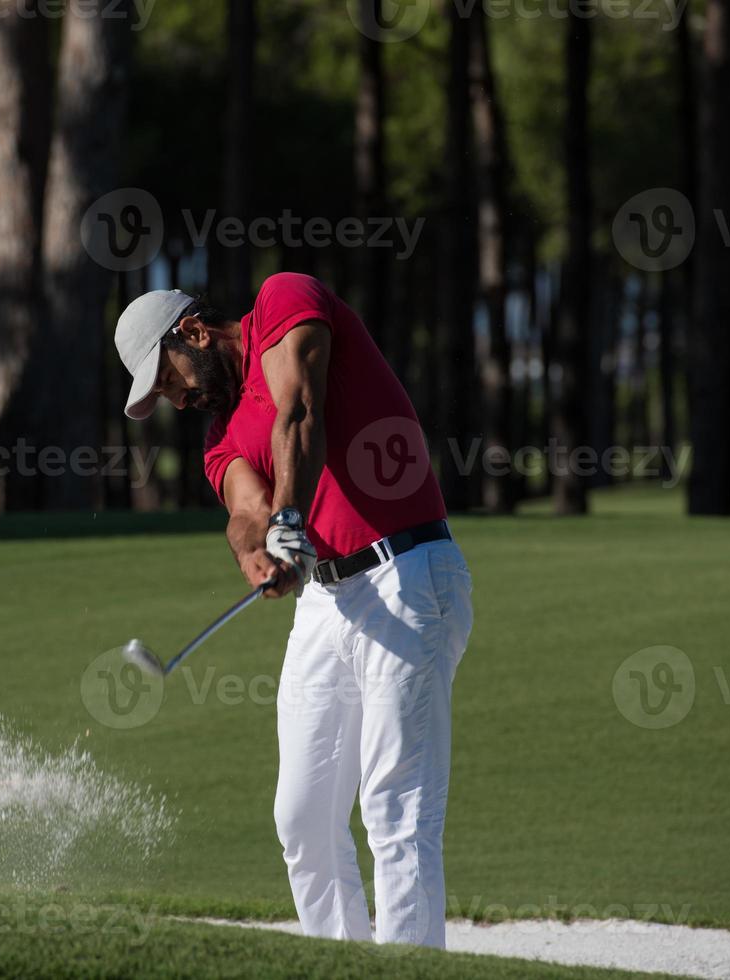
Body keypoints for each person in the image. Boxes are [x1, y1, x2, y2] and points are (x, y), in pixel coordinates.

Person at [113, 272, 474, 947]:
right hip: (327, 600)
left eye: (169, 380)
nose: (178, 400)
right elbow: (242, 509)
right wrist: (260, 550)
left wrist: (288, 517)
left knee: (395, 807)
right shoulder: (219, 432)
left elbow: (300, 410)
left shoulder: (284, 299)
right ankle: (340, 961)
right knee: (302, 818)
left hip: (409, 572)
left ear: (191, 331)